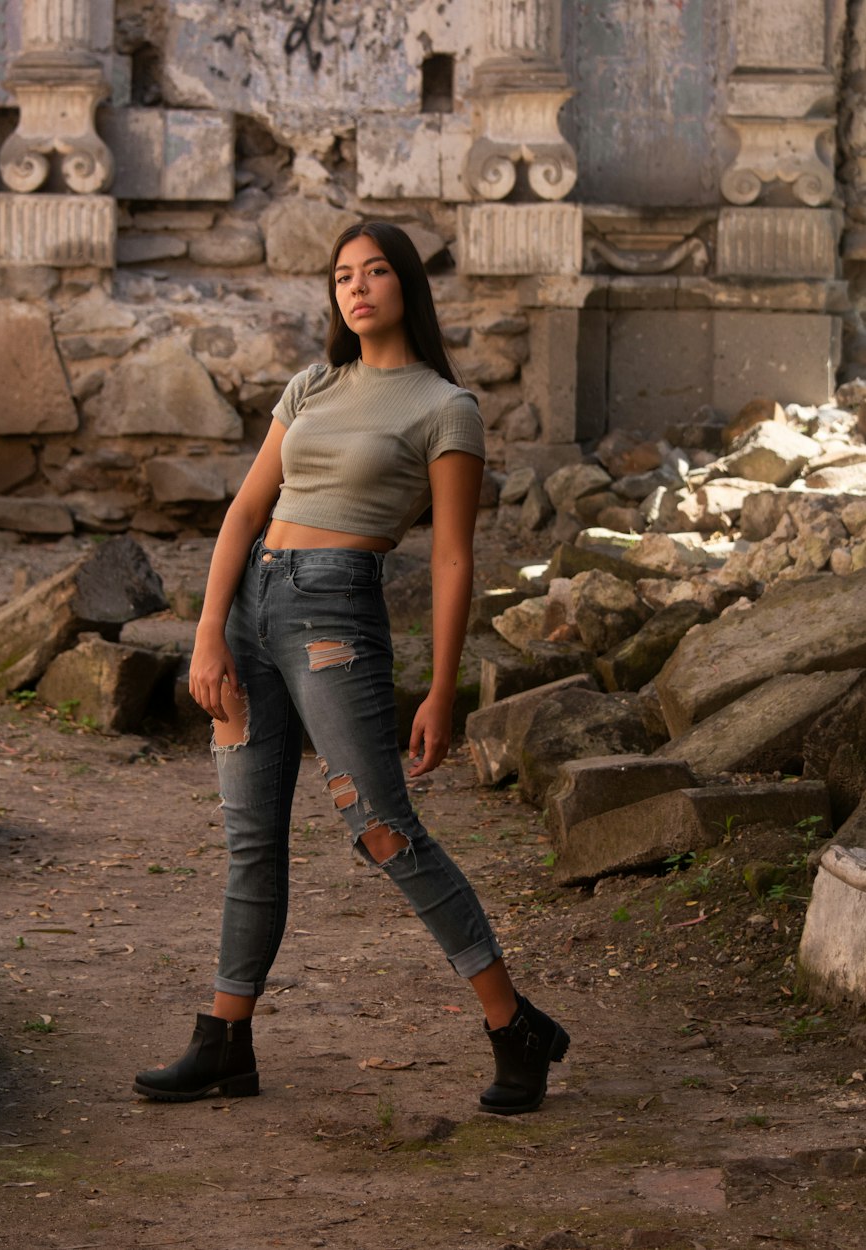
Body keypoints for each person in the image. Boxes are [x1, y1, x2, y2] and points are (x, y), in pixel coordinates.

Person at [132, 221, 569, 1114]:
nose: (357, 288)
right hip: (252, 609)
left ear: (406, 284)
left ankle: (511, 1025)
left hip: (334, 615)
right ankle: (225, 1042)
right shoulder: (312, 384)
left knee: (383, 830)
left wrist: (441, 691)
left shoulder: (446, 407)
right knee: (251, 840)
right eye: (342, 276)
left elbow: (452, 560)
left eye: (374, 272)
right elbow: (244, 510)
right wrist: (208, 630)